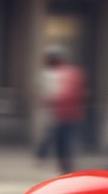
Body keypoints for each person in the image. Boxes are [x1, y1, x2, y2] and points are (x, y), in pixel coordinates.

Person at [35, 44, 87, 174]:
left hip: (62, 112)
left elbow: (52, 94)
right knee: (62, 139)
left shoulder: (64, 73)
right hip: (64, 112)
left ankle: (63, 163)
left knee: (61, 139)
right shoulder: (72, 72)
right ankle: (64, 163)